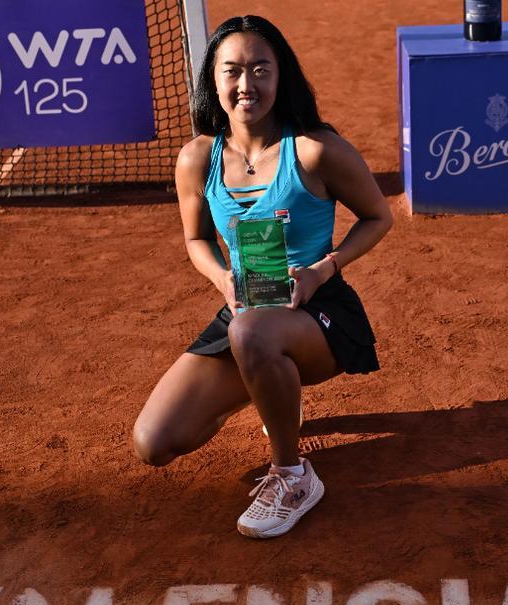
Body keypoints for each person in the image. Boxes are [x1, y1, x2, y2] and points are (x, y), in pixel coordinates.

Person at [132, 15, 392, 538]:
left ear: (282, 77)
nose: (246, 85)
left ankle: (293, 476)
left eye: (260, 70)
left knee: (251, 334)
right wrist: (224, 281)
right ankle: (269, 385)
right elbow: (197, 240)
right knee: (154, 442)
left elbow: (378, 216)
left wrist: (323, 270)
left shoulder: (315, 150)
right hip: (246, 306)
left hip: (316, 311)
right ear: (213, 81)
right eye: (232, 71)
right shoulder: (197, 159)